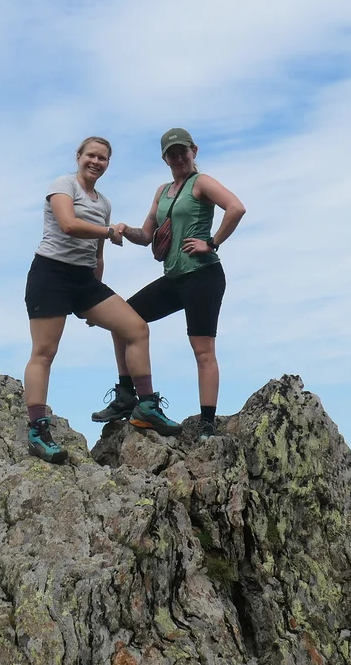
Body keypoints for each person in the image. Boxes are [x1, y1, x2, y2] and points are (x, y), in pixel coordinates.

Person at [24, 136, 183, 463]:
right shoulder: (63, 185)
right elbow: (68, 225)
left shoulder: (103, 203)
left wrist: (95, 296)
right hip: (50, 276)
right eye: (91, 156)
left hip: (84, 281)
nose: (96, 162)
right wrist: (109, 232)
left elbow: (97, 257)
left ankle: (145, 405)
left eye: (103, 158)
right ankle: (38, 429)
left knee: (136, 328)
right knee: (44, 352)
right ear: (79, 156)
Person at [93, 127, 247, 440]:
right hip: (173, 277)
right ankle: (126, 395)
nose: (178, 158)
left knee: (202, 350)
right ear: (165, 158)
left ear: (194, 151)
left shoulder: (201, 182)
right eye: (172, 153)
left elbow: (236, 207)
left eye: (183, 151)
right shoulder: (163, 192)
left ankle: (206, 424)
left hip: (203, 276)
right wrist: (124, 230)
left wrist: (212, 242)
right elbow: (147, 235)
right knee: (122, 321)